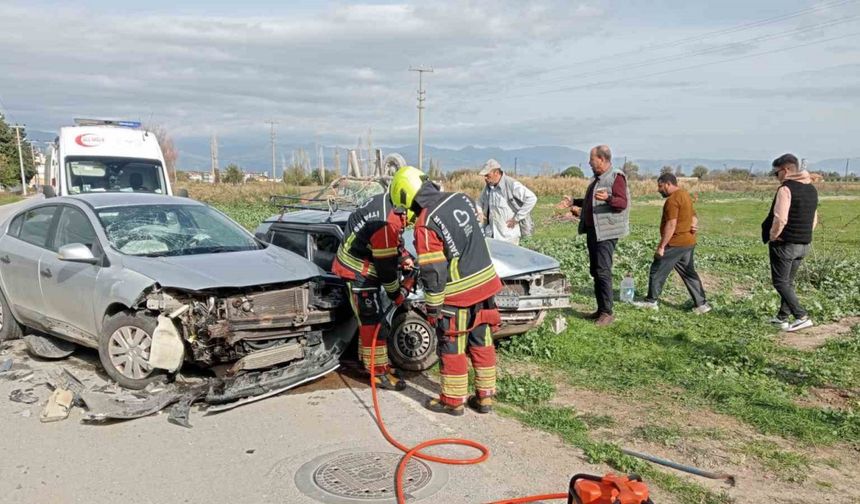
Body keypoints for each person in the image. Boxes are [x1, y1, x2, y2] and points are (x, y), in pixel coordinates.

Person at [390, 165, 502, 416]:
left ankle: (453, 401)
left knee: (451, 345)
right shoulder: (460, 198)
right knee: (482, 341)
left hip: (459, 294)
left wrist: (433, 307)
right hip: (486, 286)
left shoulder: (425, 223)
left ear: (408, 196)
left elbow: (434, 272)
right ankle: (485, 398)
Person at [331, 183, 413, 390]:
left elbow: (393, 240)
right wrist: (397, 292)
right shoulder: (387, 221)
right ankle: (378, 373)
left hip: (362, 265)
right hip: (357, 272)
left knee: (371, 321)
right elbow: (387, 272)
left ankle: (371, 364)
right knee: (373, 323)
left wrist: (404, 257)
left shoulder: (388, 202)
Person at [570, 145, 630, 326]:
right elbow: (591, 201)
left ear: (602, 159)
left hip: (606, 232)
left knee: (603, 271)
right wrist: (573, 202)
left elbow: (622, 203)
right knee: (596, 271)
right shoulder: (598, 179)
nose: (589, 163)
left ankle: (607, 313)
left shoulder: (616, 177)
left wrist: (609, 199)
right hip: (594, 231)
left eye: (592, 159)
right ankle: (600, 309)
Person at [634, 173, 711, 314]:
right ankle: (702, 305)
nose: (658, 189)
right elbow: (693, 215)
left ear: (668, 184)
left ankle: (651, 302)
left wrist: (662, 246)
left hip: (676, 242)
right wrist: (694, 223)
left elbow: (671, 224)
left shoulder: (672, 200)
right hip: (688, 241)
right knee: (688, 273)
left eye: (660, 186)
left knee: (657, 269)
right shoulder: (685, 194)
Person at [762, 153, 818, 332]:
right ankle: (782, 317)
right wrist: (804, 235)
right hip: (804, 244)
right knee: (788, 282)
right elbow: (813, 218)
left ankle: (801, 316)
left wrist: (773, 235)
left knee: (780, 283)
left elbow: (780, 218)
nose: (776, 177)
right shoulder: (811, 189)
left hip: (785, 244)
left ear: (785, 170)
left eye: (776, 173)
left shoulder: (786, 189)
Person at [477, 159, 537, 245]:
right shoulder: (488, 188)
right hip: (492, 235)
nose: (485, 178)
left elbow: (531, 198)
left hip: (509, 237)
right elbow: (479, 201)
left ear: (496, 172)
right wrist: (480, 212)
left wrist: (517, 219)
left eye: (487, 175)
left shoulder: (511, 184)